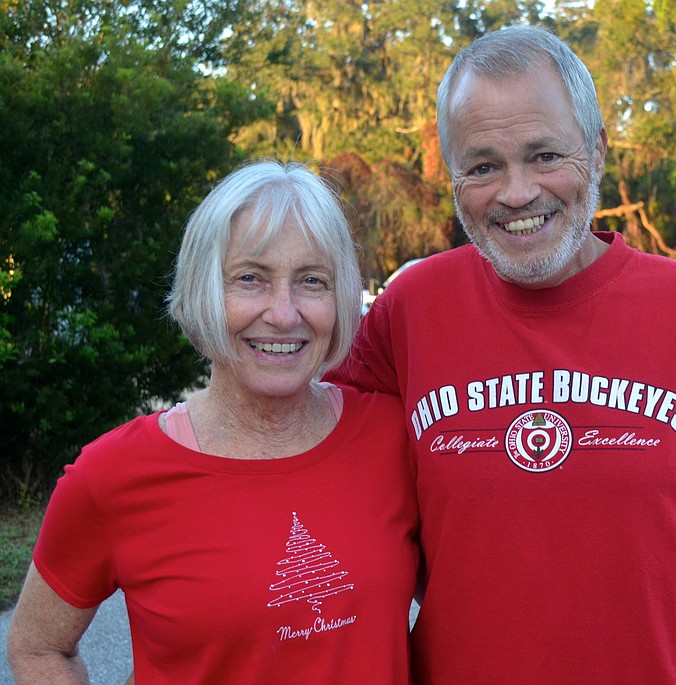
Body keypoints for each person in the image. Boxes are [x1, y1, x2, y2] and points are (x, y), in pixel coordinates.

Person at [324, 25, 676, 684]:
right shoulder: (408, 313)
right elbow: (304, 454)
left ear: (597, 150)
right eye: (482, 165)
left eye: (544, 155)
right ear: (452, 175)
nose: (517, 192)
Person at [6, 160, 419, 684]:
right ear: (202, 288)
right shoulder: (114, 475)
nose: (284, 313)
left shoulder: (394, 437)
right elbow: (39, 648)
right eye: (250, 278)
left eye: (312, 281)